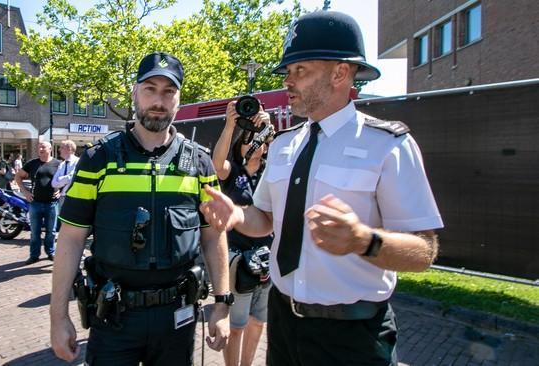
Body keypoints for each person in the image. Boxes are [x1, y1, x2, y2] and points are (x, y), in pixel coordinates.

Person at [200, 11, 444, 366]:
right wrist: (236, 214)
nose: (288, 81)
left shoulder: (387, 145)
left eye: (300, 70)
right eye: (287, 72)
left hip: (352, 336)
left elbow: (424, 252)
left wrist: (363, 240)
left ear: (340, 73)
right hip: (283, 326)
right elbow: (264, 218)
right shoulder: (284, 145)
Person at [50, 52, 231, 365]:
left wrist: (222, 305)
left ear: (178, 99)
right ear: (134, 92)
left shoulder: (199, 164)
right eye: (150, 89)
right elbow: (70, 239)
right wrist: (57, 316)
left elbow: (214, 237)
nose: (158, 100)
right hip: (114, 319)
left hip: (178, 318)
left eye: (168, 92)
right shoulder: (99, 160)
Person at [213, 102, 273, 366]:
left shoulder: (271, 171)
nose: (255, 144)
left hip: (266, 258)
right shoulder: (232, 172)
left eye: (258, 138)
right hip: (238, 260)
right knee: (237, 325)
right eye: (248, 139)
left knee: (258, 322)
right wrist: (230, 125)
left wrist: (267, 126)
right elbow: (216, 165)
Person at [14, 141, 60, 264]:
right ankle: (34, 255)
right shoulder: (32, 163)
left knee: (52, 231)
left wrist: (61, 191)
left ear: (50, 148)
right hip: (35, 203)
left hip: (52, 203)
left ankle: (51, 252)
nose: (40, 149)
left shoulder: (58, 164)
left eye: (43, 147)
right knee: (35, 232)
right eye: (39, 147)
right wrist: (25, 192)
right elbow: (18, 177)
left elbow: (68, 180)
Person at [51, 140, 79, 210]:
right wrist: (65, 179)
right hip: (62, 197)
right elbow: (53, 183)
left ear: (69, 149)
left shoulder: (78, 162)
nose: (59, 149)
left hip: (73, 198)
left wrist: (59, 179)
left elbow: (71, 178)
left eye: (62, 147)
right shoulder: (62, 164)